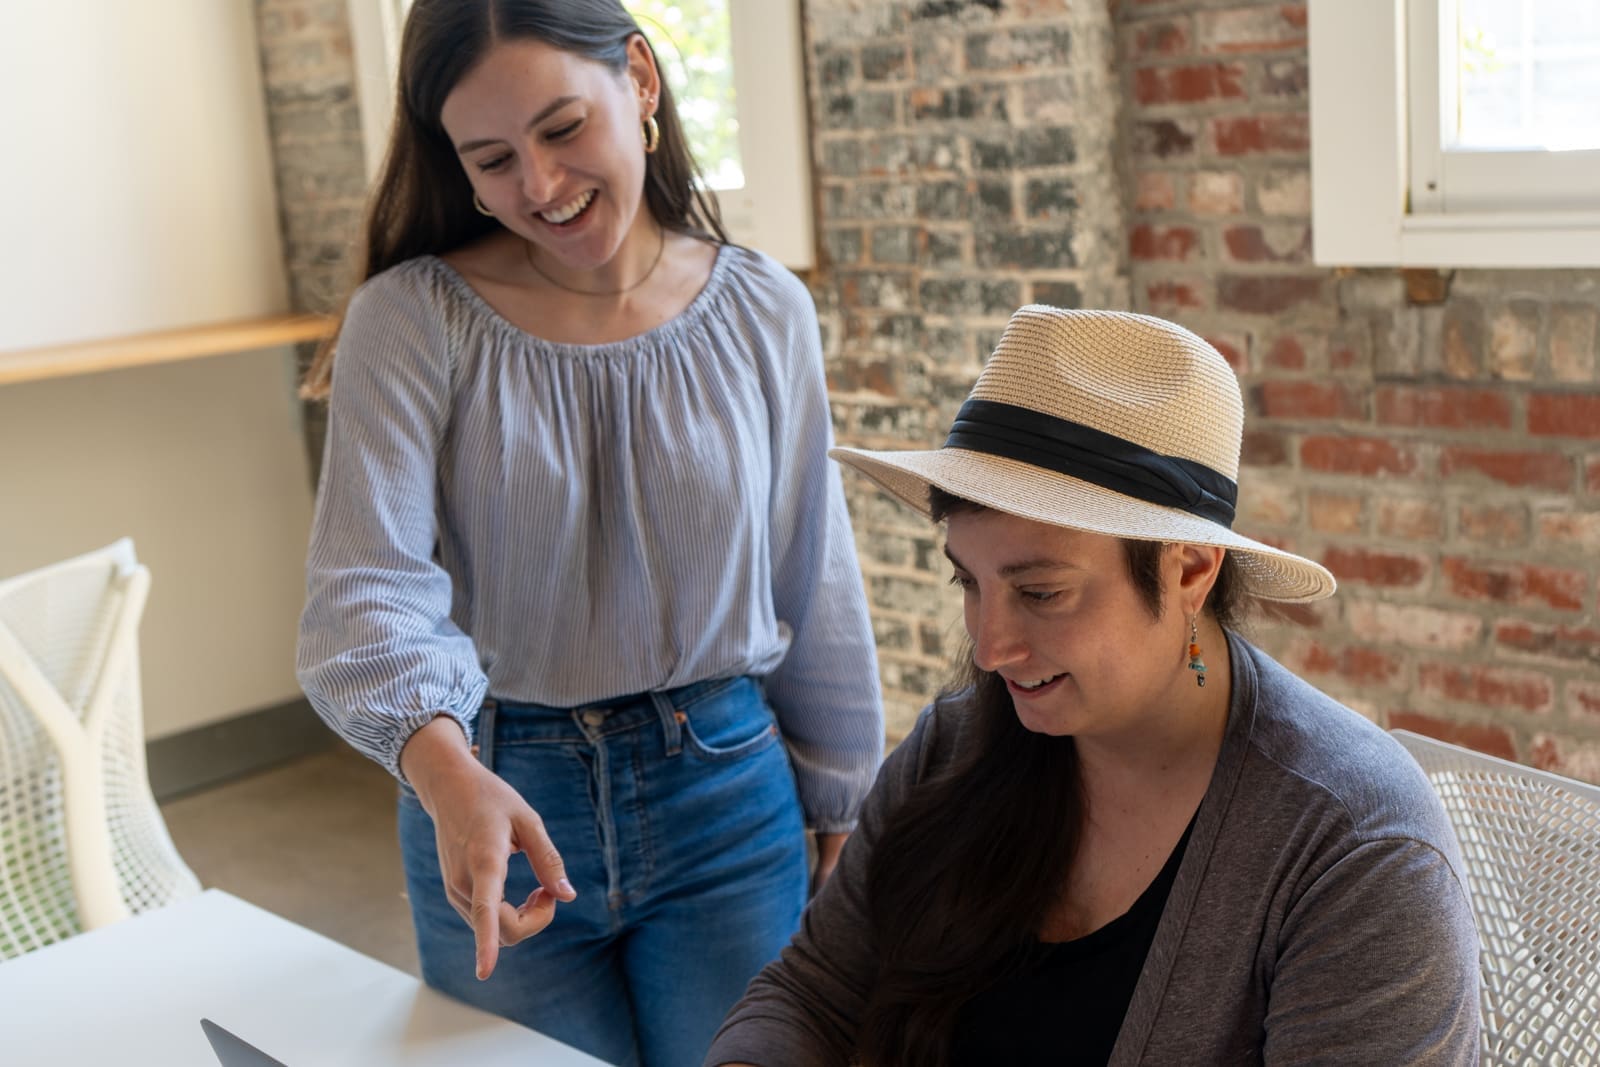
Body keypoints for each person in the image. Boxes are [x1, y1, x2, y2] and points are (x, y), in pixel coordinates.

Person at [294, 3, 884, 1065]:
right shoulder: (410, 319)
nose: (540, 183)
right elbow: (365, 587)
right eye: (492, 159)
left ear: (641, 80)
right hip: (496, 794)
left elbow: (814, 571)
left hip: (729, 791)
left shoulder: (763, 309)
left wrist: (848, 791)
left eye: (562, 128)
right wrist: (447, 776)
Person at [706, 306, 1481, 1066]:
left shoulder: (1352, 848)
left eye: (1041, 592)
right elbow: (815, 994)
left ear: (1190, 570)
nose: (990, 647)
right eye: (968, 581)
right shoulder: (958, 743)